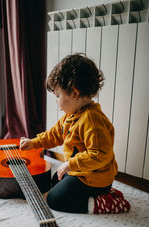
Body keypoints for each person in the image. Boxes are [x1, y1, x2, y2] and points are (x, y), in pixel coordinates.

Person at [20, 53, 130, 214]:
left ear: (74, 93)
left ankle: (102, 203)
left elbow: (100, 155)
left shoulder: (92, 120)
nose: (56, 100)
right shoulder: (70, 116)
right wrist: (34, 142)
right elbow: (54, 134)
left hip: (95, 178)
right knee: (52, 181)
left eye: (58, 96)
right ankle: (102, 194)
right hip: (80, 172)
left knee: (55, 200)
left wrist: (70, 164)